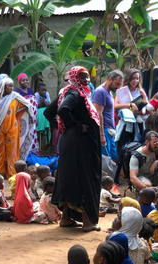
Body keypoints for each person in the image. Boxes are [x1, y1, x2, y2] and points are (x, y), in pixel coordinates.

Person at [44, 66, 102, 232]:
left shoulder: (69, 92)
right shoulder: (75, 93)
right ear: (75, 78)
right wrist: (76, 126)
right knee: (84, 177)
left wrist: (64, 128)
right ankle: (88, 221)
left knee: (70, 177)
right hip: (79, 144)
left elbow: (50, 112)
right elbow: (62, 110)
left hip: (71, 142)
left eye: (88, 77)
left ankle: (66, 218)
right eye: (83, 77)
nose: (87, 80)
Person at [0, 77, 33, 177]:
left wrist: (16, 113)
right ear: (3, 87)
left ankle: (11, 174)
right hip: (0, 129)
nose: (11, 88)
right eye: (9, 86)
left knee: (12, 152)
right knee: (1, 152)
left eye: (12, 86)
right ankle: (1, 172)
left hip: (12, 128)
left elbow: (28, 104)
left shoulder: (14, 96)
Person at [114, 69, 148, 157]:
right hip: (125, 123)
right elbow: (116, 105)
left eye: (137, 78)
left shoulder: (141, 91)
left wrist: (138, 112)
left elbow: (147, 108)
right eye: (133, 78)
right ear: (129, 79)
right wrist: (130, 105)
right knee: (123, 145)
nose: (135, 81)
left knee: (136, 146)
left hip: (138, 122)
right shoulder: (122, 91)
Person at [93, 70, 124, 161]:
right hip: (104, 130)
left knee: (113, 159)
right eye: (117, 84)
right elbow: (98, 114)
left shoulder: (109, 92)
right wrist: (101, 134)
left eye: (120, 85)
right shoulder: (100, 92)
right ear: (109, 79)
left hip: (110, 131)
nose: (118, 87)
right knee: (105, 160)